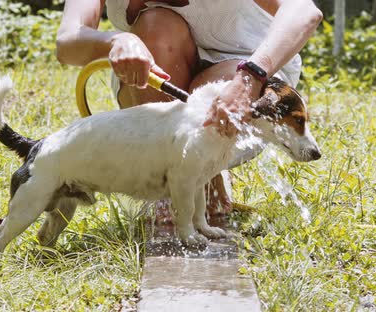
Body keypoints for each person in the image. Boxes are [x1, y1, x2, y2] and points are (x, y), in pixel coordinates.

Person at [55, 0, 322, 219]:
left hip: (254, 72)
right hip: (156, 71)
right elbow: (67, 42)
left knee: (171, 38)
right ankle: (170, 182)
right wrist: (116, 40)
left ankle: (206, 179)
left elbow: (304, 11)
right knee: (156, 25)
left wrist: (251, 76)